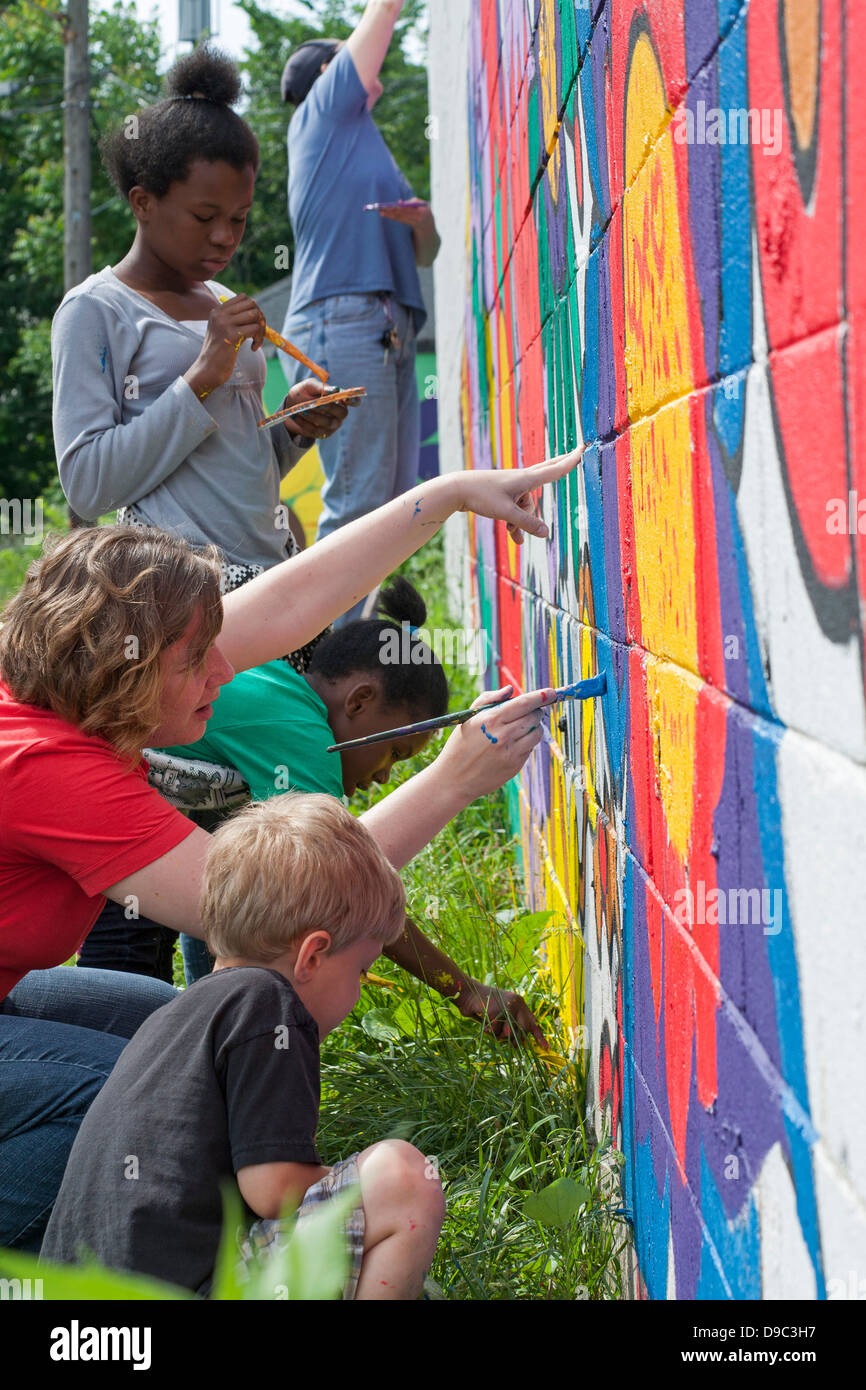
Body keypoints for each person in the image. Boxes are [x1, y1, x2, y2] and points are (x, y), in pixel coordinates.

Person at [0, 448, 578, 1250]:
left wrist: (446, 496)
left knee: (185, 1043)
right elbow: (281, 900)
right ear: (128, 669)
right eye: (199, 661)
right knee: (168, 1104)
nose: (228, 669)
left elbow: (293, 603)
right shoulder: (48, 767)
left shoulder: (81, 685)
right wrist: (452, 780)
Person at [41, 794, 445, 1300]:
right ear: (313, 955)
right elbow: (274, 1189)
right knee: (400, 1180)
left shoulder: (171, 1018)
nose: (360, 989)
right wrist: (344, 1182)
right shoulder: (269, 1002)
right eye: (361, 970)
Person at [121, 576, 544, 1042]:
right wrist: (465, 991)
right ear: (360, 701)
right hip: (97, 827)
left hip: (111, 824)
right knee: (126, 991)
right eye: (396, 753)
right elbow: (351, 885)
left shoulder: (280, 684)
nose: (385, 776)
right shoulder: (302, 735)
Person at [51, 44, 349, 613]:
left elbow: (227, 464)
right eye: (204, 217)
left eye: (238, 219)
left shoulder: (221, 301)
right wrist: (202, 376)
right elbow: (89, 486)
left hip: (270, 579)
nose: (225, 238)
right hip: (180, 600)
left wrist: (292, 427)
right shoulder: (95, 310)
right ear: (143, 202)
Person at [280, 0, 440, 620]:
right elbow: (379, 22)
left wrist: (421, 223)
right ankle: (324, 663)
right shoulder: (320, 117)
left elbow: (428, 252)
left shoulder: (366, 145)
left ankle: (346, 647)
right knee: (358, 503)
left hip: (385, 324)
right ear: (329, 76)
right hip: (341, 322)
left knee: (390, 502)